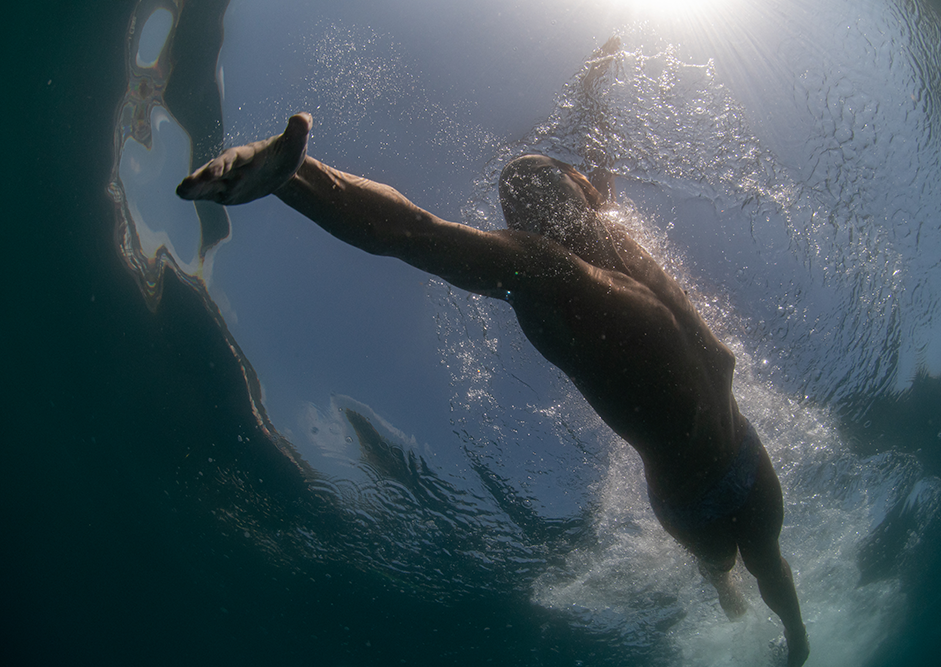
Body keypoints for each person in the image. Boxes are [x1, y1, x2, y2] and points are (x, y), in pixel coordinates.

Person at [176, 39, 809, 666]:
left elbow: (597, 163)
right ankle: (723, 585)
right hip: (694, 496)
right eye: (571, 187)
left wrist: (594, 85)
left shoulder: (609, 237)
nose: (587, 187)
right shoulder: (549, 272)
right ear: (549, 213)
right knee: (732, 565)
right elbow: (412, 235)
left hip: (741, 457)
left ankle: (789, 638)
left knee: (769, 563)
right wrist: (294, 176)